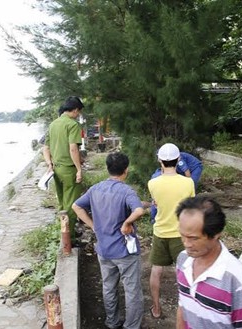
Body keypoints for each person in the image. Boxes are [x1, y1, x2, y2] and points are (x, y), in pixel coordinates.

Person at [72, 152, 145, 329]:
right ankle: (131, 326)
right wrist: (128, 222)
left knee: (109, 286)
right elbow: (138, 211)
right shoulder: (126, 191)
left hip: (104, 249)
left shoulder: (96, 189)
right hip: (124, 251)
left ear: (108, 168)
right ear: (126, 170)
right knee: (132, 290)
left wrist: (93, 225)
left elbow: (76, 206)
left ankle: (112, 322)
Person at [176, 196, 242, 329]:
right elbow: (183, 307)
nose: (186, 244)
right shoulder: (183, 259)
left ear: (215, 234)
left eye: (193, 238)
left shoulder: (235, 276)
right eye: (182, 235)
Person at [147, 143, 195, 319]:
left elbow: (157, 202)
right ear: (178, 159)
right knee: (184, 272)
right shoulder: (188, 183)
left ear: (160, 160)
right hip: (181, 234)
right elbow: (191, 207)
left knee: (156, 270)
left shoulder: (152, 183)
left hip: (160, 231)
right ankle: (186, 311)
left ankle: (157, 309)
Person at [43, 96, 85, 243]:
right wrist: (79, 169)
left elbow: (45, 147)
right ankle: (70, 237)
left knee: (62, 203)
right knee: (72, 204)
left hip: (56, 169)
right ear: (74, 110)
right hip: (69, 169)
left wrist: (49, 163)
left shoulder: (53, 125)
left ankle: (63, 232)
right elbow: (73, 148)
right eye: (78, 112)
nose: (78, 115)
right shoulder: (72, 125)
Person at [149, 151, 203, 223]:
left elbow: (187, 172)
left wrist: (188, 184)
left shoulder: (180, 161)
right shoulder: (169, 161)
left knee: (192, 184)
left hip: (195, 168)